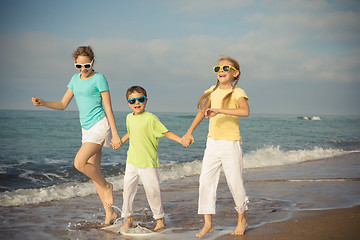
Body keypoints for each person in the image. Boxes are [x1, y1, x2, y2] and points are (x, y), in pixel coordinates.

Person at [32, 46, 121, 225]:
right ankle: (109, 213)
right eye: (78, 66)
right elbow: (63, 104)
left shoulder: (99, 78)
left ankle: (107, 186)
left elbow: (108, 108)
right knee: (94, 172)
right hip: (85, 129)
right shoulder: (74, 79)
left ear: (93, 62)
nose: (83, 70)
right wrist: (43, 103)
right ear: (75, 65)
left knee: (79, 163)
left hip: (99, 126)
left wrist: (115, 135)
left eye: (86, 66)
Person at [182, 57, 250, 238]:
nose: (221, 70)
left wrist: (220, 110)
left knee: (234, 182)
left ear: (235, 73)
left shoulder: (237, 92)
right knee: (205, 181)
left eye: (226, 67)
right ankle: (208, 224)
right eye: (218, 67)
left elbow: (245, 111)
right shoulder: (211, 91)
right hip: (212, 143)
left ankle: (242, 219)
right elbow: (201, 112)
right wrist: (189, 132)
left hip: (231, 143)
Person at [119, 86, 185, 231]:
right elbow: (130, 133)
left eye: (140, 99)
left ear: (146, 100)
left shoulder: (151, 118)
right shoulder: (129, 117)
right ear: (128, 103)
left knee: (152, 191)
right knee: (128, 190)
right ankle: (128, 218)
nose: (136, 103)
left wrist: (181, 140)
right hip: (132, 161)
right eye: (132, 100)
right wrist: (120, 141)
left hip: (148, 162)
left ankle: (159, 219)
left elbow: (166, 132)